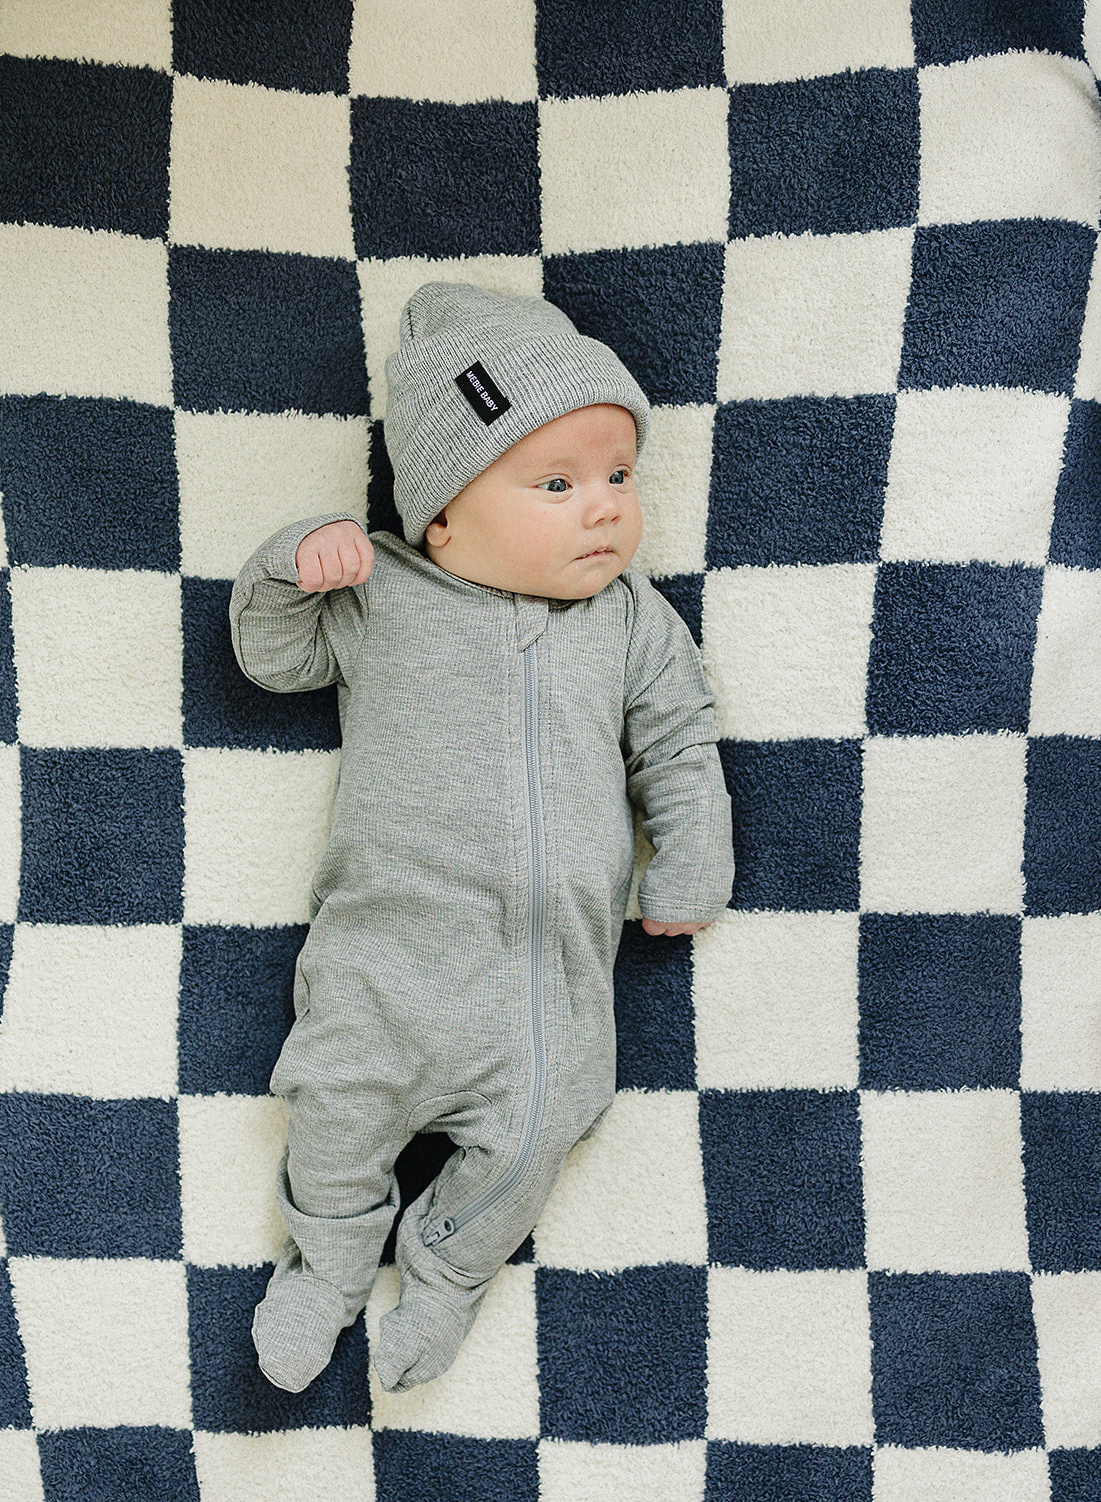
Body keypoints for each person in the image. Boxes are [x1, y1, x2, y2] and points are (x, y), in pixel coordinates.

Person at [229, 281, 734, 1395]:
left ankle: (448, 1272)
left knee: (545, 1128)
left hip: (544, 984)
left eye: (616, 476)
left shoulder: (632, 622)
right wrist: (290, 562)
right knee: (332, 1104)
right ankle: (327, 1263)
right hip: (389, 962)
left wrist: (693, 858)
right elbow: (274, 657)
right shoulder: (384, 594)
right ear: (442, 513)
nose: (602, 508)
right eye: (555, 483)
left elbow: (680, 745)